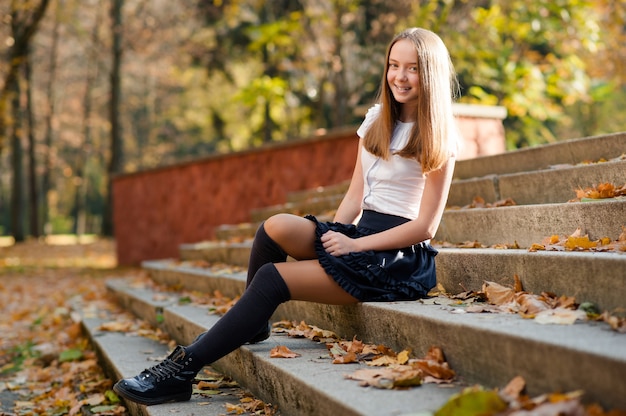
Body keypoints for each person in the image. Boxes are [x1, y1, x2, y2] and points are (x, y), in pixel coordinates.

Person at [113, 27, 459, 406]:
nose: (399, 76)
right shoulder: (377, 120)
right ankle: (255, 323)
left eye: (411, 68)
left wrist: (355, 244)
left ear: (429, 74)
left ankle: (181, 370)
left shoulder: (437, 134)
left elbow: (425, 227)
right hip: (361, 237)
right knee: (274, 226)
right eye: (394, 65)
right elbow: (355, 196)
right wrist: (337, 234)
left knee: (272, 278)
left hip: (397, 258)